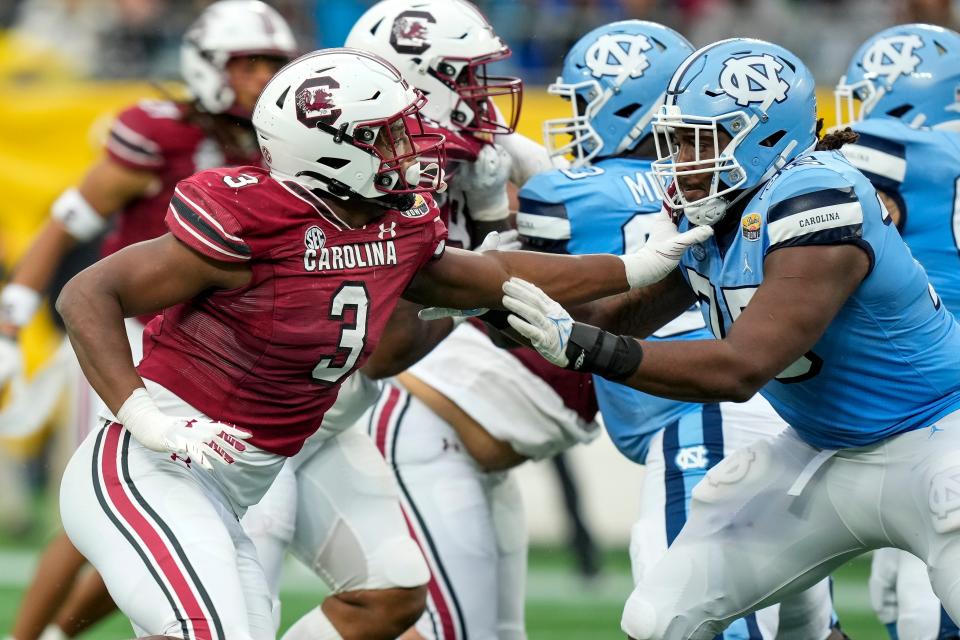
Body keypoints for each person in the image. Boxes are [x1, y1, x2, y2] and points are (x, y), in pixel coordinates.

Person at [55, 46, 710, 640]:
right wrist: (144, 416)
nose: (413, 145)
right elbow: (87, 294)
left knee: (375, 597)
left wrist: (637, 267)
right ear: (332, 148)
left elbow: (494, 274)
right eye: (389, 134)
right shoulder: (254, 217)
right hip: (153, 466)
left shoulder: (390, 226)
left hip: (247, 476)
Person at [498, 37, 960, 639]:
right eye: (678, 138)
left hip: (936, 442)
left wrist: (583, 347)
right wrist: (487, 298)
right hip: (823, 452)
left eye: (702, 140)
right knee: (657, 620)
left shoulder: (819, 197)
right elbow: (621, 319)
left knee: (930, 619)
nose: (681, 159)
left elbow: (741, 369)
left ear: (768, 135)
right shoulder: (723, 214)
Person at [240, 3, 599, 637]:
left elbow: (568, 204)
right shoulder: (354, 179)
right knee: (235, 615)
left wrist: (498, 219)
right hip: (251, 425)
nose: (479, 95)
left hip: (332, 425)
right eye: (462, 76)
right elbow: (386, 344)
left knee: (395, 602)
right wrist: (488, 254)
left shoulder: (455, 157)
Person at [520, 21, 842, 640]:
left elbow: (511, 287)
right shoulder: (737, 190)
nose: (577, 120)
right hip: (772, 422)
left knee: (686, 621)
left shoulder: (569, 193)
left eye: (586, 102)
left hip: (706, 420)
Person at [2, 3, 297, 639]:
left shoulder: (282, 146)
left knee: (206, 519)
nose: (262, 78)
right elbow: (71, 217)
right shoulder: (162, 132)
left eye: (273, 64)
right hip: (127, 335)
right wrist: (11, 317)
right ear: (209, 65)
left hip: (211, 347)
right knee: (101, 511)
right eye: (248, 63)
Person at [835, 22, 960, 640]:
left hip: (943, 404)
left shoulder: (902, 151)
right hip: (924, 409)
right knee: (899, 595)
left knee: (924, 607)